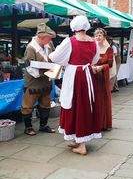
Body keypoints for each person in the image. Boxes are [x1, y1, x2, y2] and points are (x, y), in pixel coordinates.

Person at [49, 15, 102, 155]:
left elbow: (54, 57)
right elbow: (95, 59)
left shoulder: (70, 41)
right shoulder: (93, 42)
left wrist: (67, 62)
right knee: (85, 105)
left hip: (74, 75)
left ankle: (81, 145)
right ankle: (78, 139)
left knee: (76, 106)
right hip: (87, 75)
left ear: (74, 27)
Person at [21, 23, 56, 136]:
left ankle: (43, 125)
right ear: (41, 37)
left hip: (46, 81)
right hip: (33, 82)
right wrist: (46, 71)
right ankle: (28, 127)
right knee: (28, 105)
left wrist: (55, 68)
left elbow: (54, 57)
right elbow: (29, 67)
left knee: (46, 104)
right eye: (49, 38)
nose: (50, 40)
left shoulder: (49, 44)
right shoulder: (31, 48)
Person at [94, 28, 113, 130]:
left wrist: (101, 67)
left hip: (102, 78)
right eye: (96, 35)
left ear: (104, 37)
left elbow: (110, 64)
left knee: (101, 99)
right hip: (92, 76)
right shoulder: (92, 48)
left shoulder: (108, 49)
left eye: (100, 35)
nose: (98, 37)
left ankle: (102, 123)